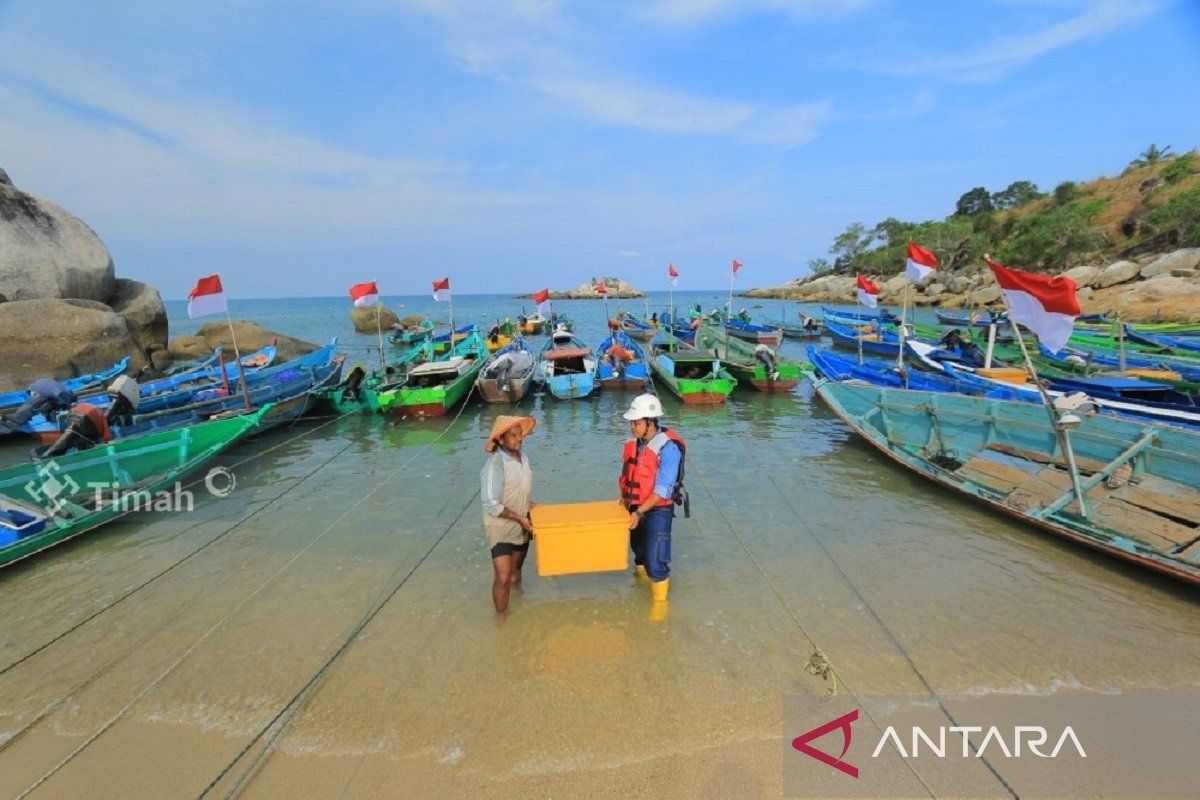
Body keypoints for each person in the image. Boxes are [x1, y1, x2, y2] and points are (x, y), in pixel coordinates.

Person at [617, 394, 686, 606]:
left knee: (656, 560)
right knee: (639, 554)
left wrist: (639, 513)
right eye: (631, 422)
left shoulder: (669, 449)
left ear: (650, 422)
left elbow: (663, 491)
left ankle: (660, 607)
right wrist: (625, 499)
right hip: (636, 504)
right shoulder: (634, 443)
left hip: (657, 509)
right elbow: (629, 472)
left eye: (636, 423)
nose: (632, 427)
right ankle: (641, 589)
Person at [481, 415, 537, 620]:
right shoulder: (495, 465)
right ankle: (501, 616)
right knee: (503, 577)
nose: (518, 439)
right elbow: (490, 503)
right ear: (501, 440)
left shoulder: (524, 458)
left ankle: (518, 601)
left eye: (520, 435)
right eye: (513, 436)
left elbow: (518, 489)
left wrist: (531, 505)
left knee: (515, 573)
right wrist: (520, 518)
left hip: (522, 523)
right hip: (501, 527)